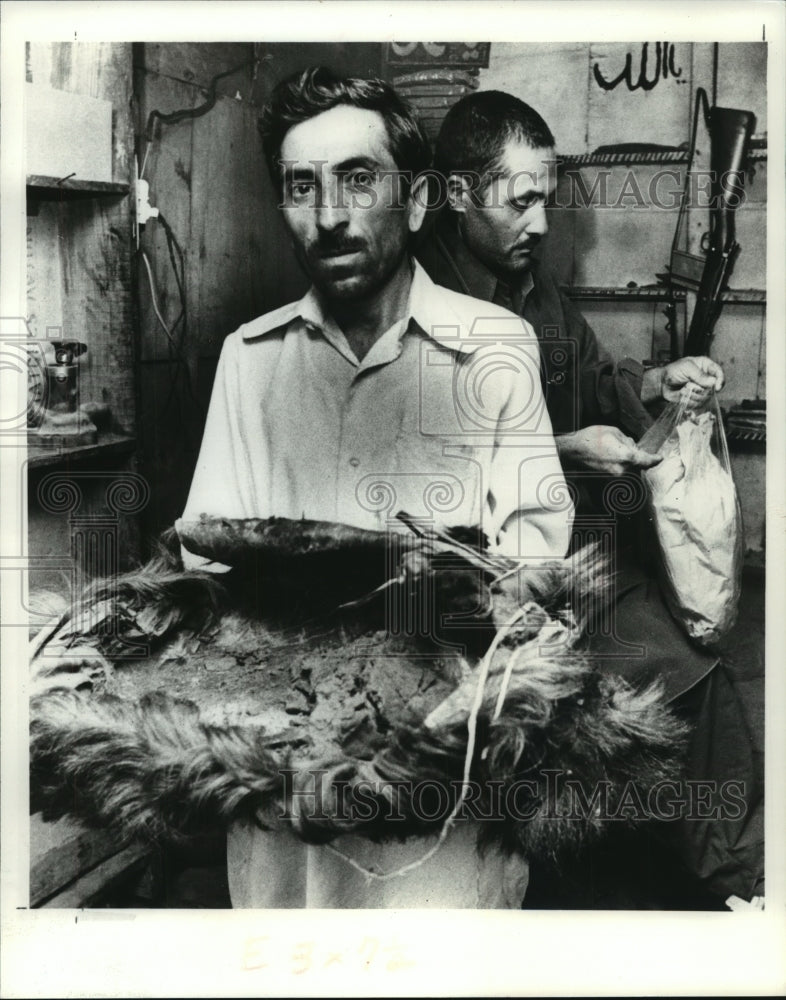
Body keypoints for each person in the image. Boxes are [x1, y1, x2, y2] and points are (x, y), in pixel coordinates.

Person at [180, 68, 573, 908]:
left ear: (421, 199)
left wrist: (447, 594)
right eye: (301, 186)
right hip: (288, 807)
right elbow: (207, 581)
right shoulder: (249, 361)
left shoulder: (497, 349)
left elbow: (537, 585)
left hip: (445, 805)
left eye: (360, 178)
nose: (329, 215)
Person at [417, 89, 763, 906]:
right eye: (521, 201)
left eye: (548, 198)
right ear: (460, 194)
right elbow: (426, 463)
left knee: (698, 681)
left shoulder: (533, 289)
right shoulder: (417, 296)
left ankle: (746, 890)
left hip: (572, 560)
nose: (540, 223)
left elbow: (590, 377)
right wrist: (568, 450)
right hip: (470, 579)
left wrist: (658, 381)